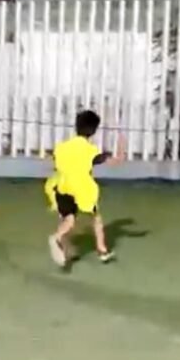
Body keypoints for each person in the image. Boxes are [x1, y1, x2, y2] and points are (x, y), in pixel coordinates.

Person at [45, 110, 125, 270]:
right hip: (82, 189)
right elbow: (115, 161)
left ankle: (62, 243)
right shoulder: (90, 150)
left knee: (68, 219)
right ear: (94, 131)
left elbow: (52, 160)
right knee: (96, 219)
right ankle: (102, 250)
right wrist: (122, 144)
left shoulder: (62, 147)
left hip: (61, 185)